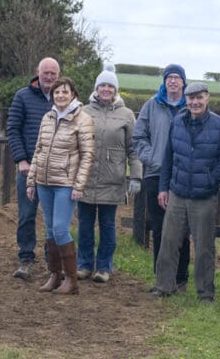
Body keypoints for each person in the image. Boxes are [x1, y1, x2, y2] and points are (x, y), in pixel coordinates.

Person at [151, 82, 220, 302]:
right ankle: (164, 285)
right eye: (191, 98)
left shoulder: (218, 125)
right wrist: (163, 187)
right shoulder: (177, 122)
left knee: (204, 246)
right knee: (169, 241)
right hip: (177, 192)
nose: (195, 102)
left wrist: (209, 180)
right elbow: (168, 158)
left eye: (200, 97)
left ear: (207, 98)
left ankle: (205, 292)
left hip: (204, 196)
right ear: (186, 99)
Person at [26, 77, 95, 295]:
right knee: (49, 229)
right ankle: (54, 275)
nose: (61, 96)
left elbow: (87, 155)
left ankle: (71, 279)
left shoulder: (83, 120)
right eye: (57, 93)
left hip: (66, 183)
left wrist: (79, 184)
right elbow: (39, 150)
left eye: (65, 92)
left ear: (73, 94)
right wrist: (31, 180)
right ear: (52, 96)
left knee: (59, 228)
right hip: (44, 182)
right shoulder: (48, 117)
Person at [78, 63, 142, 283]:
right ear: (96, 89)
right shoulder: (84, 112)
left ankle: (104, 267)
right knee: (85, 225)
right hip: (85, 178)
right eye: (102, 85)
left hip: (112, 180)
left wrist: (135, 176)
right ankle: (84, 265)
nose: (106, 89)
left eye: (110, 86)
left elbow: (133, 149)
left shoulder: (126, 115)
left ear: (115, 90)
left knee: (107, 226)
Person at [132, 64, 190, 292]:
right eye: (169, 78)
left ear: (183, 82)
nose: (173, 81)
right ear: (164, 82)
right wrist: (153, 159)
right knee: (160, 228)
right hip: (156, 175)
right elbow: (139, 137)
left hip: (183, 176)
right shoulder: (151, 105)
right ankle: (161, 279)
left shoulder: (191, 106)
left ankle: (181, 278)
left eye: (177, 78)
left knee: (183, 229)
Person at [7, 58, 60, 280]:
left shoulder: (64, 99)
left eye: (53, 74)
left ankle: (53, 262)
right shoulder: (22, 97)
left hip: (55, 170)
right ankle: (26, 258)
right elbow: (13, 129)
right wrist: (20, 160)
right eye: (45, 72)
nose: (49, 77)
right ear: (37, 72)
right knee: (27, 215)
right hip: (29, 168)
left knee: (54, 219)